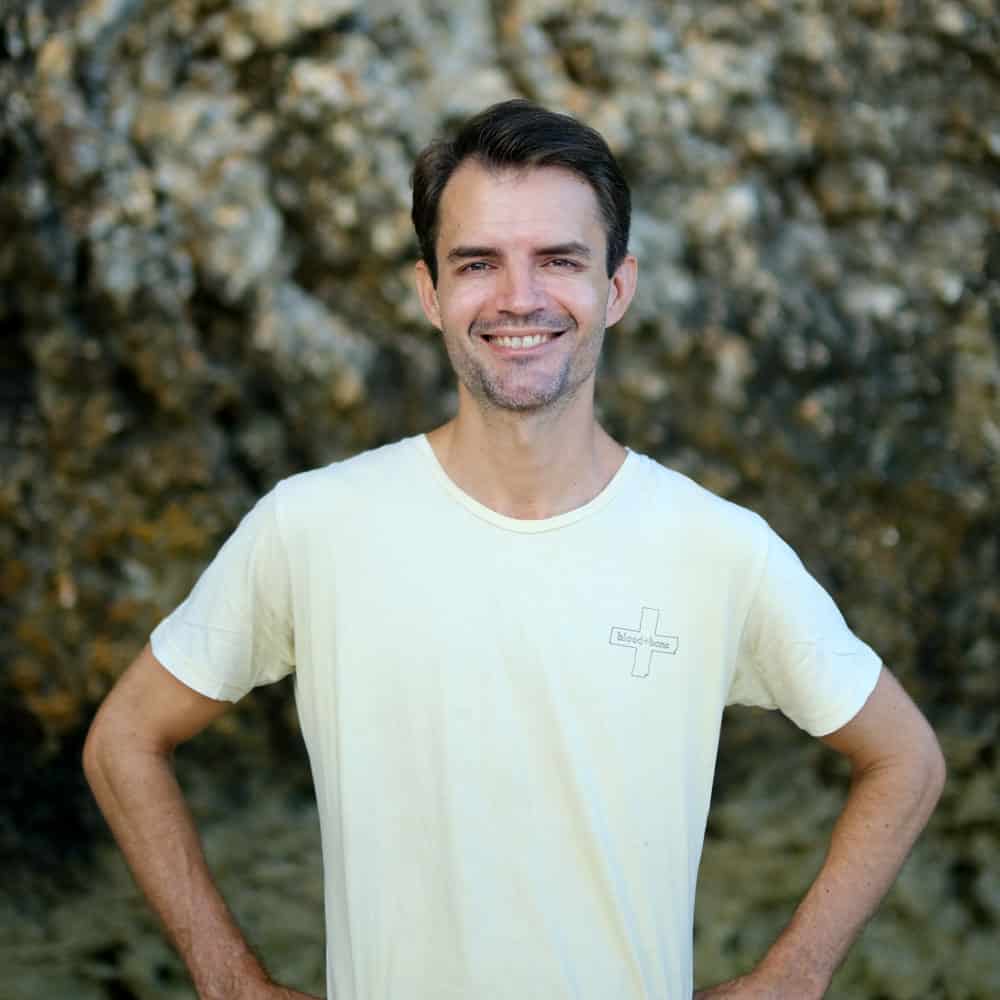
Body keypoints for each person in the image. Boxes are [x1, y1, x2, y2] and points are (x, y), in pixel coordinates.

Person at [83, 99, 945, 1000]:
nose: (519, 298)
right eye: (478, 263)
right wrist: (228, 981)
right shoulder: (313, 526)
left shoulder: (720, 550)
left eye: (559, 260)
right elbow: (124, 742)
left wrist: (792, 978)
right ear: (430, 292)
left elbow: (906, 760)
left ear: (617, 288)